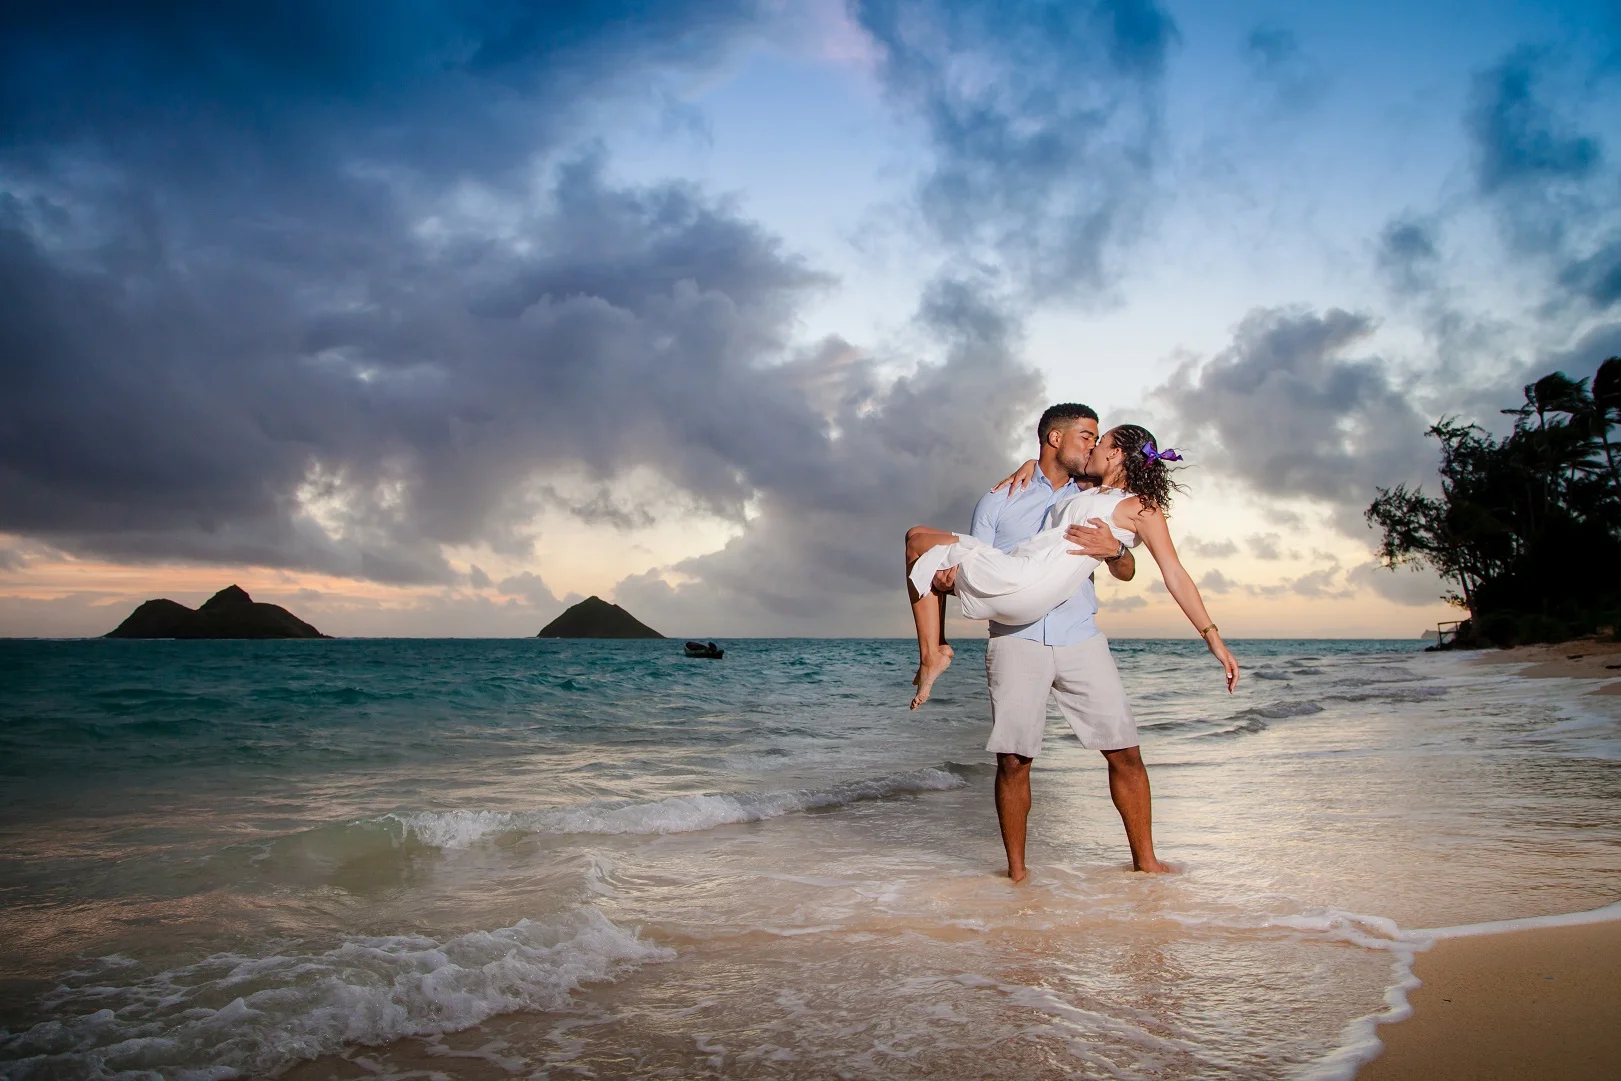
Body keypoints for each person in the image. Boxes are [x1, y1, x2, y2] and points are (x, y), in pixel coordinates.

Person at [903, 410, 1238, 879]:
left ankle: (1146, 861)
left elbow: (1167, 573)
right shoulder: (1010, 496)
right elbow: (994, 545)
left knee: (1125, 751)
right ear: (1055, 440)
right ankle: (1017, 873)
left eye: (1100, 441)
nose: (1093, 445)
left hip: (1075, 631)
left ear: (1116, 454)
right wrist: (1028, 466)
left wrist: (1209, 635)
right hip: (1018, 627)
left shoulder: (1131, 506)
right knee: (1014, 758)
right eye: (1087, 438)